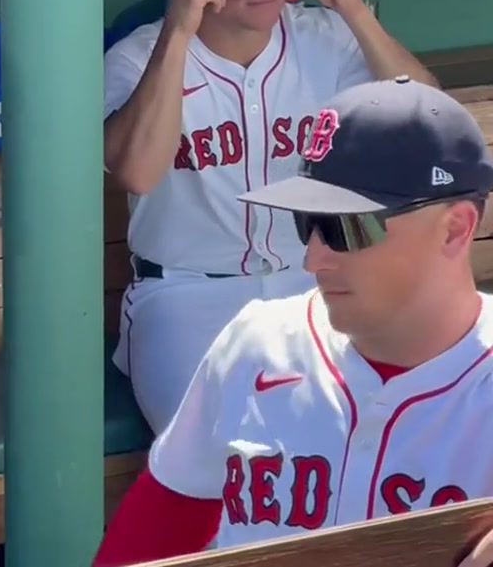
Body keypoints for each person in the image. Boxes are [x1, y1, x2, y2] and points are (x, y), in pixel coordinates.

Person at [94, 77, 493, 566]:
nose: (312, 259)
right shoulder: (258, 342)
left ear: (454, 229)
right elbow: (150, 537)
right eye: (307, 223)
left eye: (343, 227)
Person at [104, 0, 437, 433]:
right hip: (185, 295)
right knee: (222, 450)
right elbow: (137, 171)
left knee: (394, 426)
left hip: (315, 284)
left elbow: (426, 127)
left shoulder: (325, 38)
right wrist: (178, 33)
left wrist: (355, 11)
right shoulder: (140, 57)